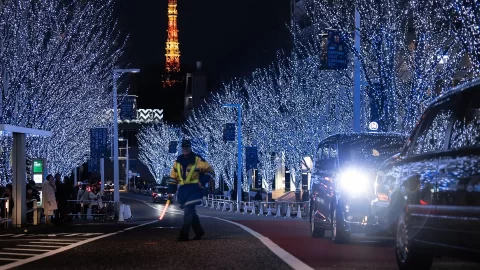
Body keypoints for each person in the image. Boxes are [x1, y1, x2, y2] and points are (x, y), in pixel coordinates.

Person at [168, 139, 215, 241]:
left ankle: (184, 236)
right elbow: (173, 177)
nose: (185, 149)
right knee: (191, 212)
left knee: (188, 212)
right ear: (182, 148)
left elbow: (210, 170)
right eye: (183, 147)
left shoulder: (198, 160)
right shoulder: (177, 162)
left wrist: (202, 181)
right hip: (183, 190)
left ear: (190, 147)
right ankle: (199, 232)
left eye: (187, 147)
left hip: (194, 189)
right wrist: (171, 190)